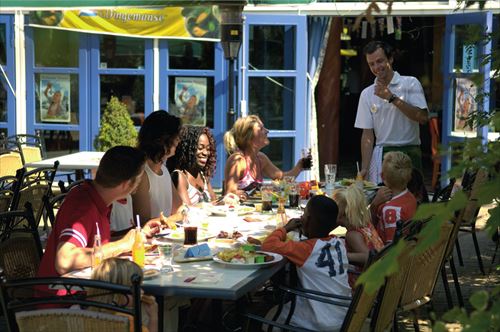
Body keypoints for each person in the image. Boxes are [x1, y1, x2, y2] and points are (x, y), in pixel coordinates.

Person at [37, 146, 161, 286]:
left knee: (145, 301)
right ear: (127, 184)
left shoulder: (98, 199)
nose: (140, 184)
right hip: (64, 300)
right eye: (139, 179)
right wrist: (123, 244)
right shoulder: (83, 206)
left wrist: (136, 235)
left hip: (85, 292)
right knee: (146, 304)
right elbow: (64, 260)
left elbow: (100, 244)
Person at [261, 195, 351, 331]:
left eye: (304, 214)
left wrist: (285, 228)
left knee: (270, 316)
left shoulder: (304, 250)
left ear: (307, 221)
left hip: (321, 321)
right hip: (344, 314)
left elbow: (268, 245)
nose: (302, 217)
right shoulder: (339, 243)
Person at [354, 41, 428, 184]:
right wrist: (365, 168)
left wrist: (391, 97)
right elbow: (367, 135)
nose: (376, 67)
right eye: (372, 64)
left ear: (391, 59)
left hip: (410, 152)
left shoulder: (410, 83)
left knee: (412, 201)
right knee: (383, 202)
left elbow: (423, 117)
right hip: (383, 155)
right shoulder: (367, 94)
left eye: (380, 61)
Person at [223, 115, 307, 200]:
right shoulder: (237, 160)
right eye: (261, 129)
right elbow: (230, 194)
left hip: (256, 211)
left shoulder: (260, 158)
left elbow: (282, 179)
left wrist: (300, 166)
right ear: (249, 138)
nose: (267, 131)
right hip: (239, 211)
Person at [132, 110, 185, 224]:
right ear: (162, 139)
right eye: (175, 136)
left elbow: (180, 208)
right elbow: (144, 223)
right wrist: (176, 217)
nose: (178, 140)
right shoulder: (142, 174)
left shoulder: (163, 170)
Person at [332, 185, 384, 288]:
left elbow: (367, 257)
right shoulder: (366, 224)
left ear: (342, 215)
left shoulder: (352, 235)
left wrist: (342, 256)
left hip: (362, 289)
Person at [90, 258, 158, 332]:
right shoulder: (127, 322)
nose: (142, 291)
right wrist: (153, 317)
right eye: (136, 287)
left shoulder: (86, 313)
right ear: (117, 293)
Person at [370, 151, 417, 244]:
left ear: (382, 177)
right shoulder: (410, 197)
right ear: (409, 177)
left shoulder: (391, 210)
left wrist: (373, 205)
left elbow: (390, 248)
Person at [167, 125, 217, 205]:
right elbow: (187, 210)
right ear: (187, 150)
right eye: (200, 148)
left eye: (208, 149)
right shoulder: (180, 176)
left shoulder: (202, 175)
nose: (205, 153)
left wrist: (225, 199)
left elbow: (214, 202)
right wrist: (209, 206)